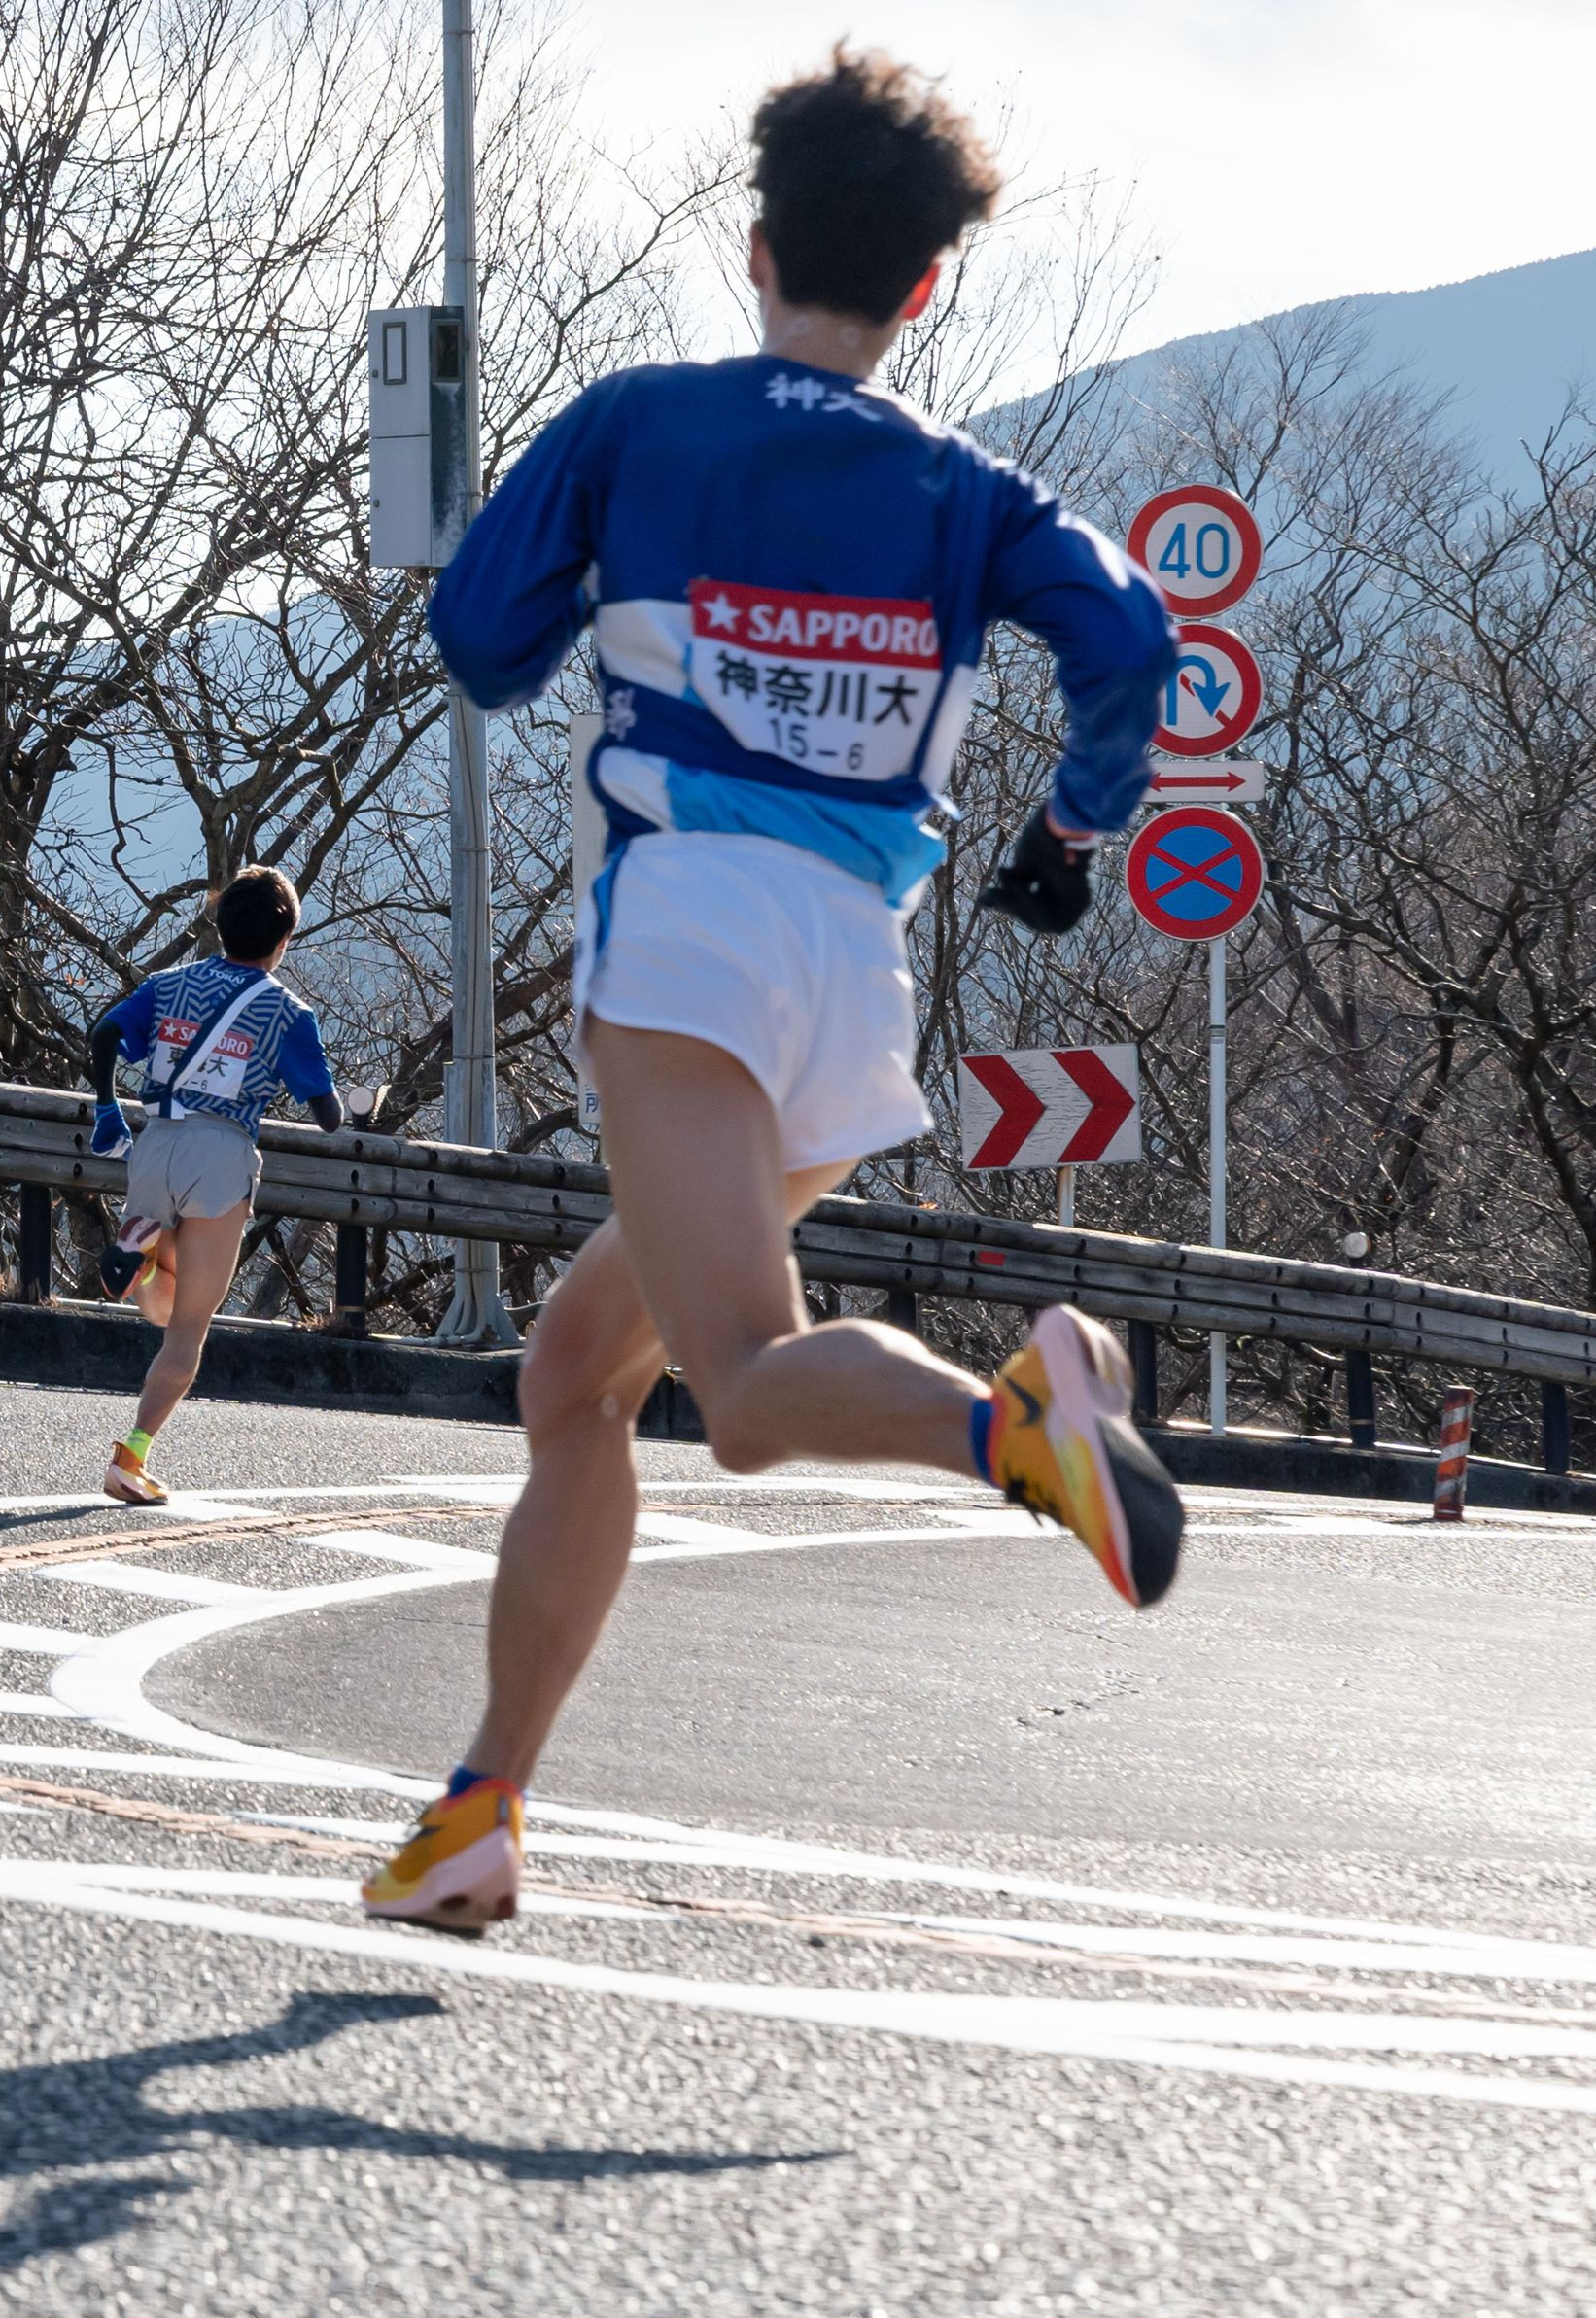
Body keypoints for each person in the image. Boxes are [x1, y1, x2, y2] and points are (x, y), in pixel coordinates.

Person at [362, 50, 1186, 1937]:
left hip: (686, 933)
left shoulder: (640, 422)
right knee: (578, 1371)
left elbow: (478, 640)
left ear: (756, 247)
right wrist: (1068, 829)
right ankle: (477, 1811)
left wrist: (599, 586)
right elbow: (1129, 639)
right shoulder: (969, 488)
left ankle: (1020, 1424)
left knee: (738, 1388)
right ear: (924, 287)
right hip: (845, 967)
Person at [84, 865, 344, 1506]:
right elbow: (327, 1115)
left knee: (162, 1303)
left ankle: (148, 1258)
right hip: (222, 1154)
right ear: (283, 940)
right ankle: (131, 1456)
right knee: (188, 1328)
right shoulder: (287, 1012)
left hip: (155, 1142)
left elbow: (106, 1032)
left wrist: (107, 1105)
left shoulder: (168, 984)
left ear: (220, 926)